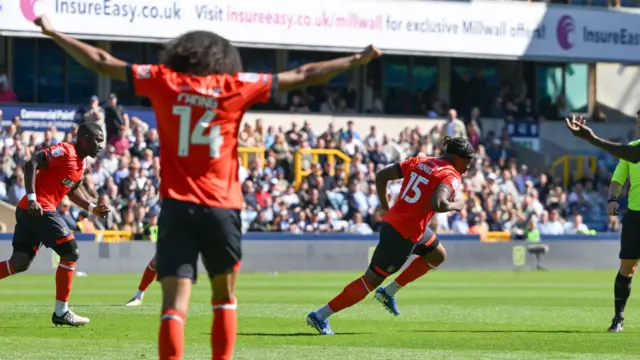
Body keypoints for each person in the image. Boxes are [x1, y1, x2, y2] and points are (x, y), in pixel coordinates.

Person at [33, 15, 381, 359]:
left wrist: (53, 32)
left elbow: (102, 61)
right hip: (222, 208)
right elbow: (303, 74)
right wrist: (356, 59)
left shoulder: (163, 80)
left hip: (177, 207)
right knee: (224, 300)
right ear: (223, 59)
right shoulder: (236, 85)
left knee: (173, 306)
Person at [307, 136, 474, 335]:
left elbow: (381, 176)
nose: (469, 166)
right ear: (456, 157)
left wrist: (386, 208)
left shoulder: (420, 161)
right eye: (468, 160)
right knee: (370, 280)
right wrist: (457, 205)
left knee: (437, 255)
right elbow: (438, 203)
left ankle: (389, 291)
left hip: (406, 226)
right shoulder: (451, 175)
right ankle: (320, 315)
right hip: (402, 235)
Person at [0, 122, 109, 326]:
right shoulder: (66, 151)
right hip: (38, 207)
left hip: (30, 210)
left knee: (19, 263)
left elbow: (72, 189)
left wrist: (92, 207)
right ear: (84, 139)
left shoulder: (81, 163)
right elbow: (31, 163)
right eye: (98, 140)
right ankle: (61, 312)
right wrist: (32, 198)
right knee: (71, 252)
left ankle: (61, 312)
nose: (101, 145)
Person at [567, 113, 640, 333]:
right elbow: (619, 178)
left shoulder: (632, 151)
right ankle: (618, 318)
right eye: (639, 122)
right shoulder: (632, 148)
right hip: (636, 216)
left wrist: (593, 139)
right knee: (627, 268)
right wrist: (612, 198)